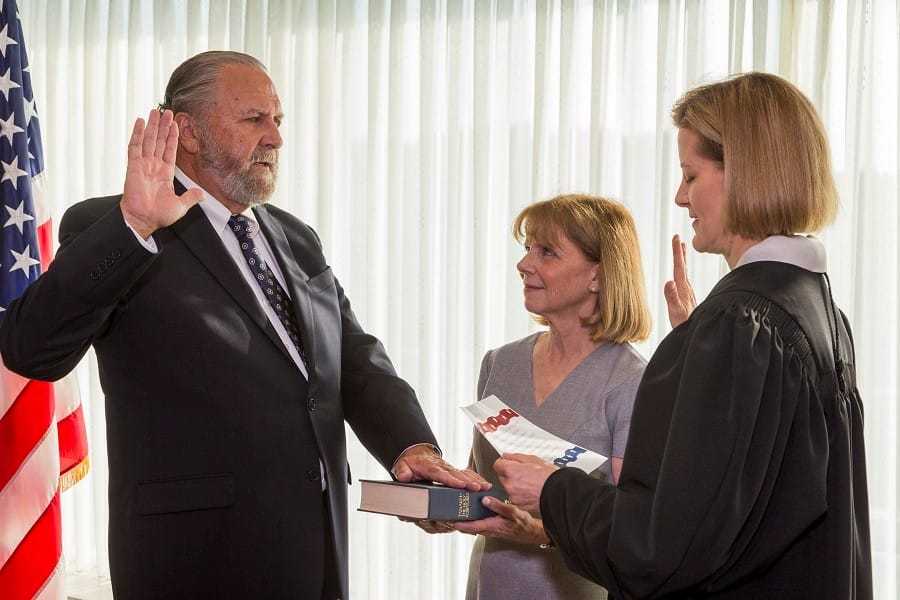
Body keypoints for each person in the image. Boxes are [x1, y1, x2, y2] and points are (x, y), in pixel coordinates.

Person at [0, 51, 487, 600]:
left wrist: (409, 448)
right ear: (188, 130)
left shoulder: (293, 236)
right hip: (195, 560)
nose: (275, 138)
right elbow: (31, 350)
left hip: (314, 549)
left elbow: (352, 358)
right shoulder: (110, 225)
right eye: (255, 119)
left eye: (278, 121)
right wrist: (133, 225)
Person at [492, 72, 872, 599]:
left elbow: (659, 549)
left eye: (691, 176)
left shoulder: (741, 328)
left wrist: (552, 491)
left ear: (744, 174)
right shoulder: (814, 308)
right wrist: (699, 349)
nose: (679, 196)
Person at [418, 194, 650, 600]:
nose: (524, 264)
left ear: (597, 274)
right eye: (527, 249)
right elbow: (482, 484)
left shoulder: (630, 381)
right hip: (487, 586)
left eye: (547, 252)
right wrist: (437, 504)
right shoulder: (499, 363)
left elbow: (627, 533)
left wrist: (541, 534)